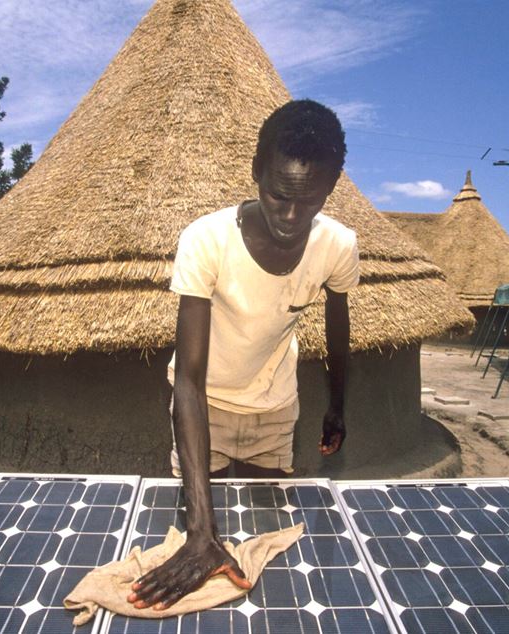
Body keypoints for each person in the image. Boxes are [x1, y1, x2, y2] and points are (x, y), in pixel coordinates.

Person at [128, 99, 359, 610]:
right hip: (200, 407)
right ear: (256, 173)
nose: (291, 217)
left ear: (330, 189)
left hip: (275, 412)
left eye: (310, 201)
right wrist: (201, 532)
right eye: (279, 196)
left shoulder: (340, 246)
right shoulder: (206, 241)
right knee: (190, 535)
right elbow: (188, 378)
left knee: (267, 552)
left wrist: (337, 407)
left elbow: (337, 332)